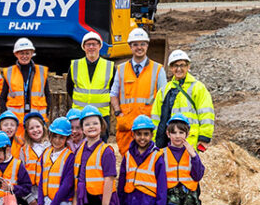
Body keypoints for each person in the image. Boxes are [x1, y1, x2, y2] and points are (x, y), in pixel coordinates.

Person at [110, 28, 167, 156]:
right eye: (135, 44)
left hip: (148, 126)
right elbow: (113, 94)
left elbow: (164, 98)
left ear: (147, 45)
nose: (139, 47)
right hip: (127, 126)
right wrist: (118, 113)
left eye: (142, 44)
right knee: (127, 160)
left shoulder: (158, 70)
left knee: (148, 161)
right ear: (130, 46)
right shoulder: (121, 69)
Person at [73, 105, 120, 205]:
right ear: (82, 128)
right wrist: (76, 200)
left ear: (102, 125)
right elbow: (79, 177)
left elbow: (109, 179)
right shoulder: (81, 149)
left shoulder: (106, 151)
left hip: (102, 200)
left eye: (95, 123)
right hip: (85, 200)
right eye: (87, 124)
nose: (91, 126)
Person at [118, 115, 166, 205]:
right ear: (133, 135)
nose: (142, 137)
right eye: (139, 134)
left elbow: (162, 187)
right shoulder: (127, 156)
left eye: (146, 134)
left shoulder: (156, 157)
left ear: (151, 135)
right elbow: (121, 184)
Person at [151, 49, 214, 150]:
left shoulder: (198, 88)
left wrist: (204, 137)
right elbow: (155, 117)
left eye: (182, 65)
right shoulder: (164, 90)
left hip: (190, 141)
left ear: (188, 66)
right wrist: (153, 139)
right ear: (171, 68)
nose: (179, 69)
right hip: (166, 142)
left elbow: (206, 114)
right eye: (175, 65)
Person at [160, 114, 204, 205]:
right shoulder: (161, 153)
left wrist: (194, 156)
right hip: (170, 202)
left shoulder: (191, 153)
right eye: (174, 132)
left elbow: (198, 175)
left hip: (189, 202)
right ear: (168, 134)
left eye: (181, 132)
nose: (177, 136)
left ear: (187, 133)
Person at [0, 38, 51, 137]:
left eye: (27, 53)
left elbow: (47, 95)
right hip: (15, 120)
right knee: (16, 147)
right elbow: (2, 98)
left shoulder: (41, 71)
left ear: (32, 53)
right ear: (16, 54)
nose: (24, 56)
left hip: (36, 118)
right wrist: (6, 116)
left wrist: (46, 113)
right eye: (21, 53)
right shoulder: (9, 72)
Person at [68, 32, 116, 142]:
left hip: (101, 115)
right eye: (88, 44)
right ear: (83, 47)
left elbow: (113, 90)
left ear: (99, 46)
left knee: (100, 147)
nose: (91, 47)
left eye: (94, 44)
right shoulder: (75, 65)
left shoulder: (109, 66)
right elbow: (70, 88)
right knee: (78, 146)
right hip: (79, 114)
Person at [38, 117, 76, 205]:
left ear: (67, 139)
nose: (57, 140)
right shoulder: (46, 153)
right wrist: (40, 204)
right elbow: (41, 180)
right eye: (55, 136)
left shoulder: (70, 156)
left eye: (61, 137)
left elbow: (67, 185)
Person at [20, 111, 46, 205]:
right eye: (31, 128)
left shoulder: (51, 147)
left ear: (43, 127)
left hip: (48, 198)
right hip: (31, 199)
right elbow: (20, 176)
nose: (35, 130)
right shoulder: (24, 150)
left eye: (38, 126)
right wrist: (28, 197)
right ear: (27, 131)